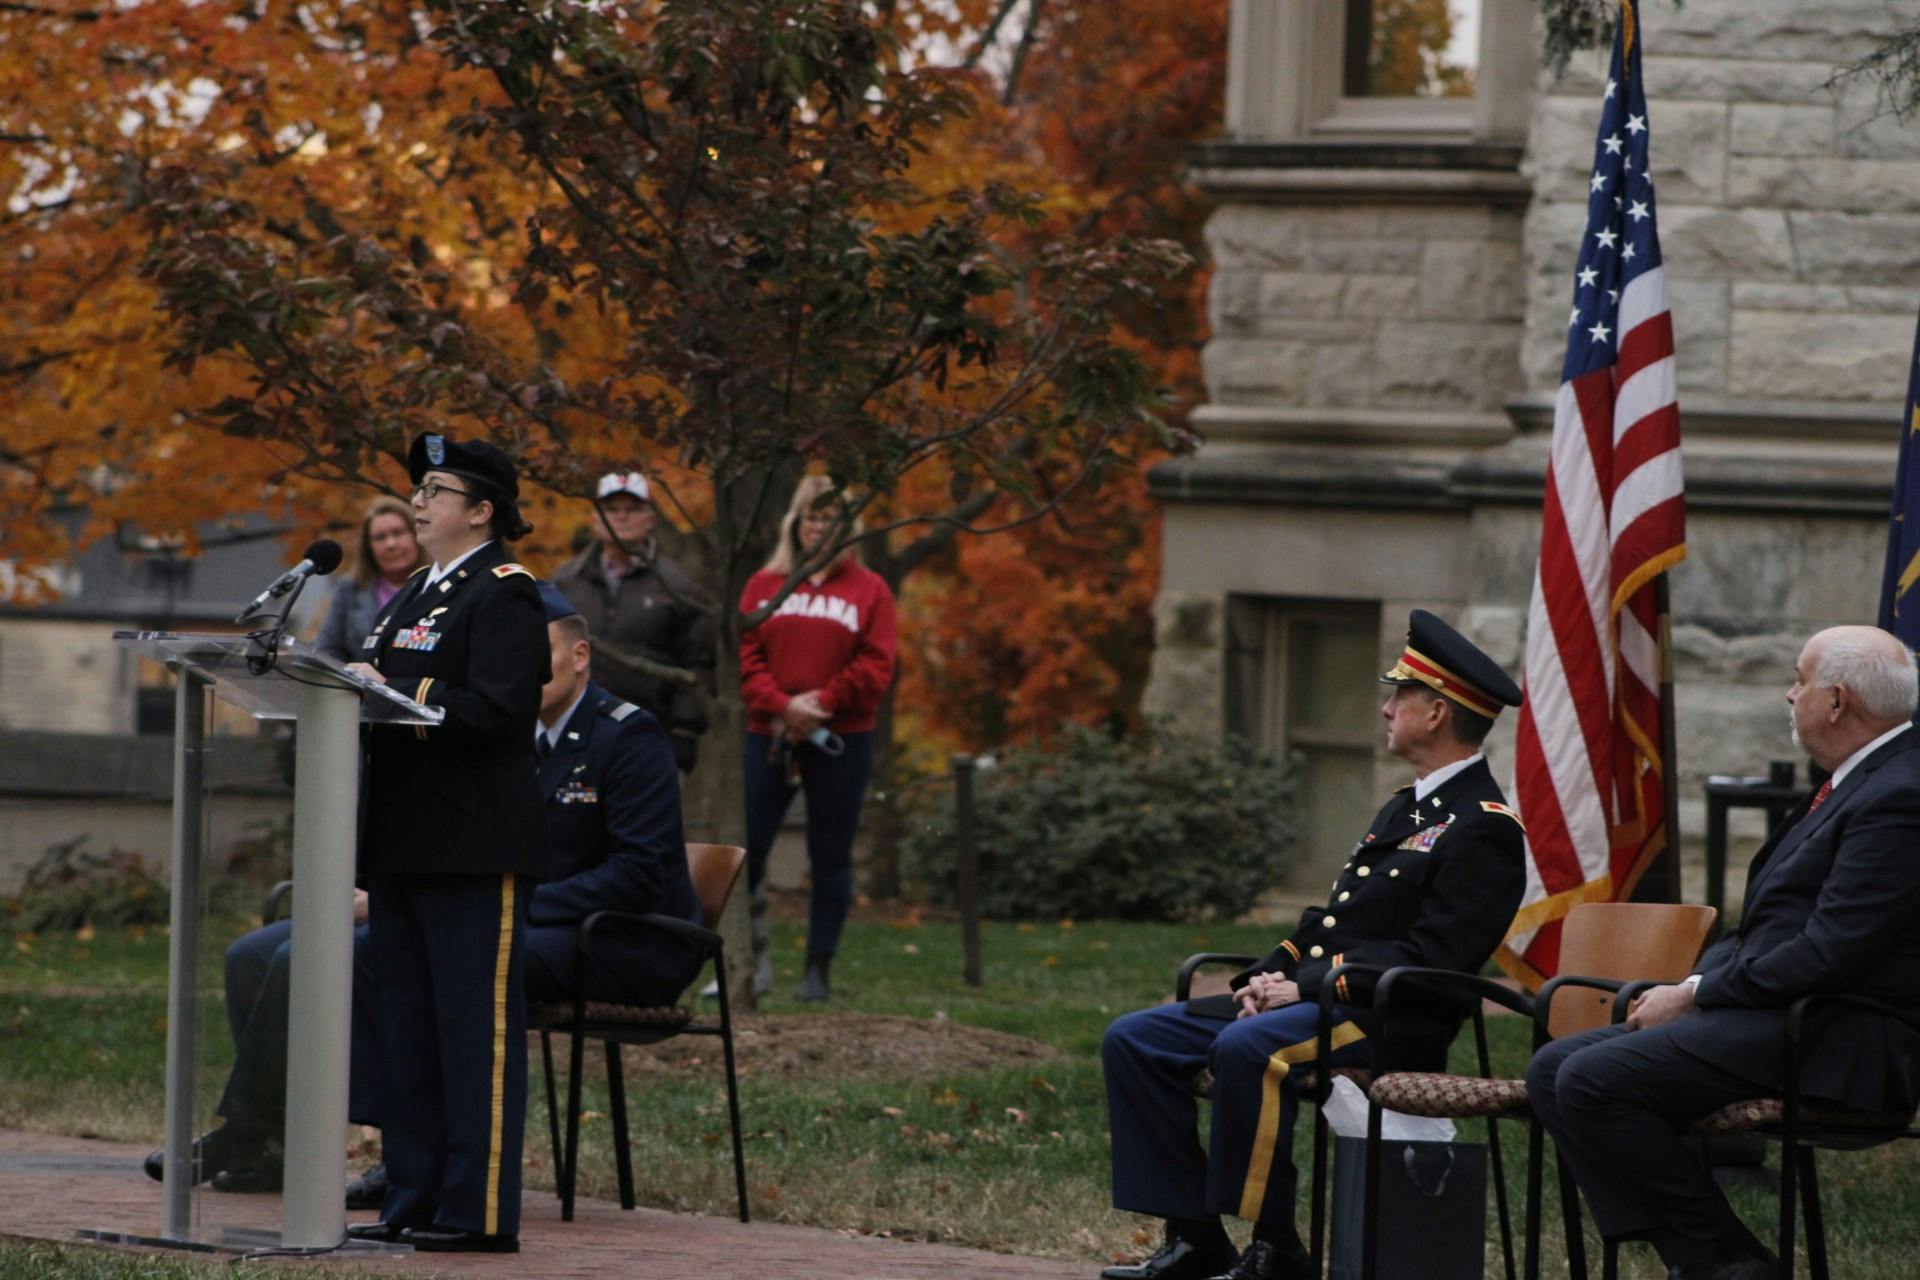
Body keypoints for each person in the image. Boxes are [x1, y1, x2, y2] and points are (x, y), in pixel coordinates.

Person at [1097, 610, 1526, 1280]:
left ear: (1437, 713)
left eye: (1399, 698)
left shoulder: (1485, 828)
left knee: (1246, 1048)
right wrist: (1266, 978)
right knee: (1134, 1038)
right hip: (1321, 1003)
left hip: (1387, 1018)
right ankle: (1194, 1236)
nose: (1386, 709)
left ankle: (1277, 1248)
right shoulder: (1404, 809)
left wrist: (1310, 988)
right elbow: (1332, 922)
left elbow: (1436, 957)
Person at [1528, 625, 1920, 1280]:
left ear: (1837, 701)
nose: (1789, 694)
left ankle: (1725, 1263)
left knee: (1594, 1080)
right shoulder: (1859, 779)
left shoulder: (1899, 794)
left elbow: (1830, 952)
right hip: (1784, 1016)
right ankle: (1708, 1260)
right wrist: (1695, 984)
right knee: (1551, 1070)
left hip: (1840, 1037)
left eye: (1799, 680)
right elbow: (1772, 929)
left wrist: (1696, 994)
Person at [344, 433, 549, 1255]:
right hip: (403, 841)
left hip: (471, 844)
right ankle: (414, 1195)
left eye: (435, 489)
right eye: (419, 489)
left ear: (482, 510)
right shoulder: (414, 593)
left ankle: (476, 1211)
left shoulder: (503, 591)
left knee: (473, 1033)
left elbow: (497, 707)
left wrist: (394, 691)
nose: (418, 503)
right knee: (409, 1031)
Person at [738, 475, 897, 1001]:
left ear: (848, 527)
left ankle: (817, 971)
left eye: (829, 519)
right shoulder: (764, 584)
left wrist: (821, 704)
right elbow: (746, 654)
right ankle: (746, 962)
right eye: (810, 517)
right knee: (748, 851)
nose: (819, 528)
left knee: (830, 855)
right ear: (795, 523)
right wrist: (781, 705)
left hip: (842, 737)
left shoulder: (870, 590)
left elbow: (876, 664)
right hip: (770, 734)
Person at [525, 581, 705, 1007]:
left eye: (539, 654)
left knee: (473, 960)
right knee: (395, 950)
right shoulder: (513, 739)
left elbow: (637, 873)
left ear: (580, 656)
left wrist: (519, 905)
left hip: (629, 940)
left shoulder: (628, 736)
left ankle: (483, 1077)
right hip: (552, 929)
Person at [552, 471, 714, 774]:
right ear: (595, 518)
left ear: (650, 518)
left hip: (649, 734)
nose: (622, 517)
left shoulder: (677, 586)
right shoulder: (564, 582)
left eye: (633, 509)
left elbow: (699, 662)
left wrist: (685, 731)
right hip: (570, 732)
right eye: (612, 509)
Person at [313, 495, 427, 662]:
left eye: (398, 533)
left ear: (416, 535)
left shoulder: (438, 584)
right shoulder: (351, 588)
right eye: (380, 537)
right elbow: (327, 650)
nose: (391, 544)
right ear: (369, 547)